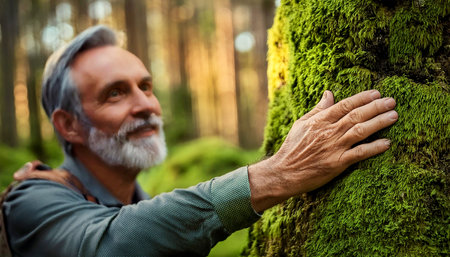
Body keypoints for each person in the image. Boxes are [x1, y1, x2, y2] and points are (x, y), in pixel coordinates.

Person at [3, 25, 398, 256]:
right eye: (115, 93)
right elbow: (111, 244)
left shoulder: (141, 202)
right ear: (68, 125)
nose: (146, 106)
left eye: (146, 87)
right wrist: (278, 174)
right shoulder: (31, 202)